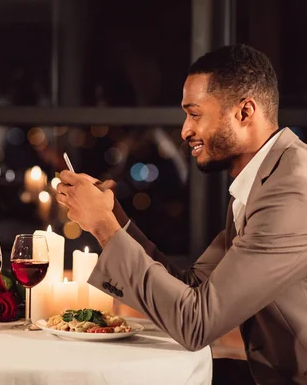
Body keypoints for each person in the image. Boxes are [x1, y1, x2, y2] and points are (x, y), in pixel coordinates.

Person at [56, 44, 307, 384]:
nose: (185, 130)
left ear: (245, 112)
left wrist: (102, 228)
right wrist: (116, 219)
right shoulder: (265, 180)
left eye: (195, 114)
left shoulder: (292, 192)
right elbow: (191, 288)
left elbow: (196, 323)